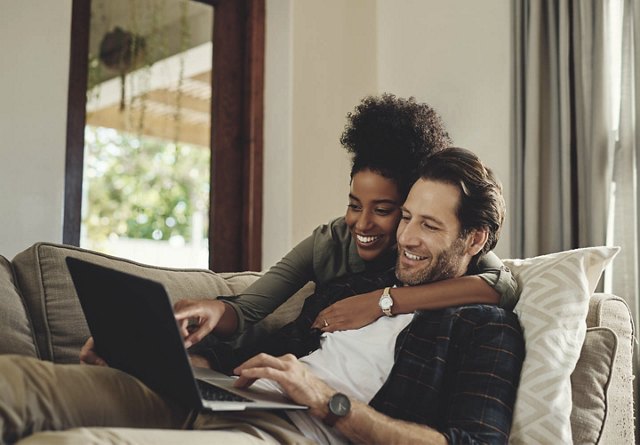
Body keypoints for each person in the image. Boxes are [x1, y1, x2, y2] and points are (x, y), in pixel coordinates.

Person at [0, 147, 524, 445]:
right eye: (406, 217)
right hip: (224, 396)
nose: (405, 237)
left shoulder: (484, 327)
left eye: (429, 225)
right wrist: (146, 351)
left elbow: (471, 443)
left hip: (296, 433)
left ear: (474, 239)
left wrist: (326, 401)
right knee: (13, 380)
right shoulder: (358, 283)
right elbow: (264, 340)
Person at [171, 94, 518, 354]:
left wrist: (382, 301)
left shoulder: (437, 249)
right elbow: (245, 310)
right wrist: (214, 308)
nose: (361, 223)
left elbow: (502, 285)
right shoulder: (332, 242)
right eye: (354, 205)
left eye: (383, 209)